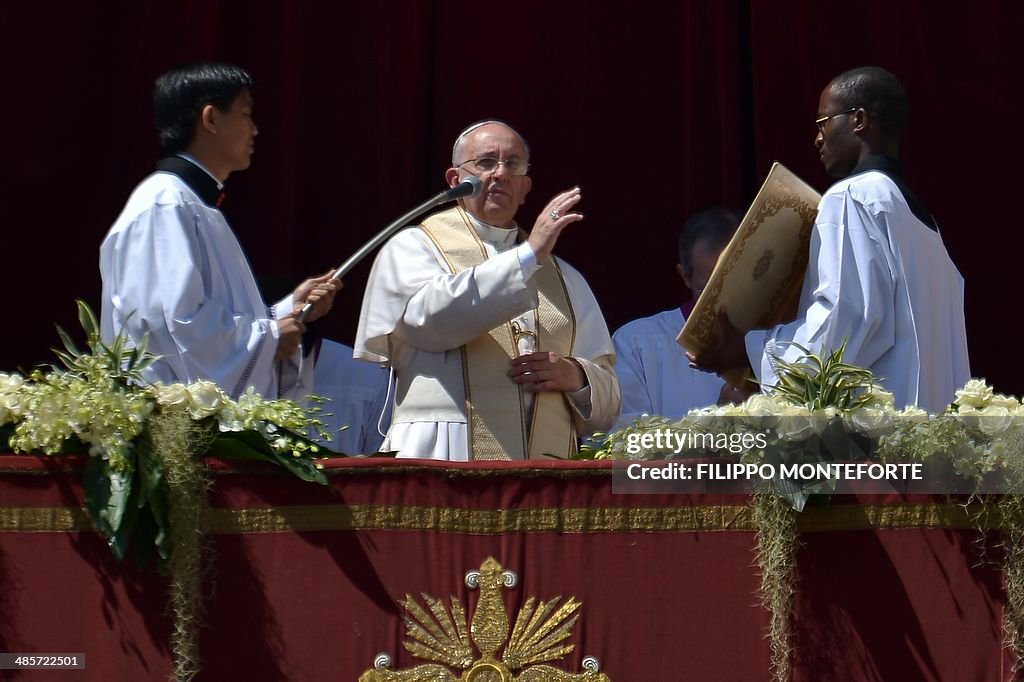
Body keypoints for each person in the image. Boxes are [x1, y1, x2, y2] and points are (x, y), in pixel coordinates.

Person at [689, 67, 969, 413]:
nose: (817, 139)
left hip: (872, 448)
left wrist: (748, 350)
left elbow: (844, 320)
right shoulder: (925, 226)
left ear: (859, 120)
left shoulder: (851, 196)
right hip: (929, 441)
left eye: (823, 123)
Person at [354, 120, 620, 461]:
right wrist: (528, 256)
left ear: (525, 186)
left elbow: (610, 401)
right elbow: (432, 322)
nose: (500, 173)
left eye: (512, 164)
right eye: (485, 163)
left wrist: (574, 375)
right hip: (443, 455)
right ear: (454, 180)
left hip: (542, 472)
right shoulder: (413, 248)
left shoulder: (565, 278)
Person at [100, 62, 338, 400]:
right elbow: (172, 323)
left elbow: (207, 318)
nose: (255, 130)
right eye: (246, 114)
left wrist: (288, 311)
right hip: (169, 426)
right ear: (211, 119)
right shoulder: (165, 204)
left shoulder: (194, 205)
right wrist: (269, 337)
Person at [613, 208, 743, 428]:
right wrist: (716, 424)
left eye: (735, 284)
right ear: (685, 277)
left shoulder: (781, 337)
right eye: (709, 290)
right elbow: (622, 445)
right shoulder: (636, 343)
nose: (724, 302)